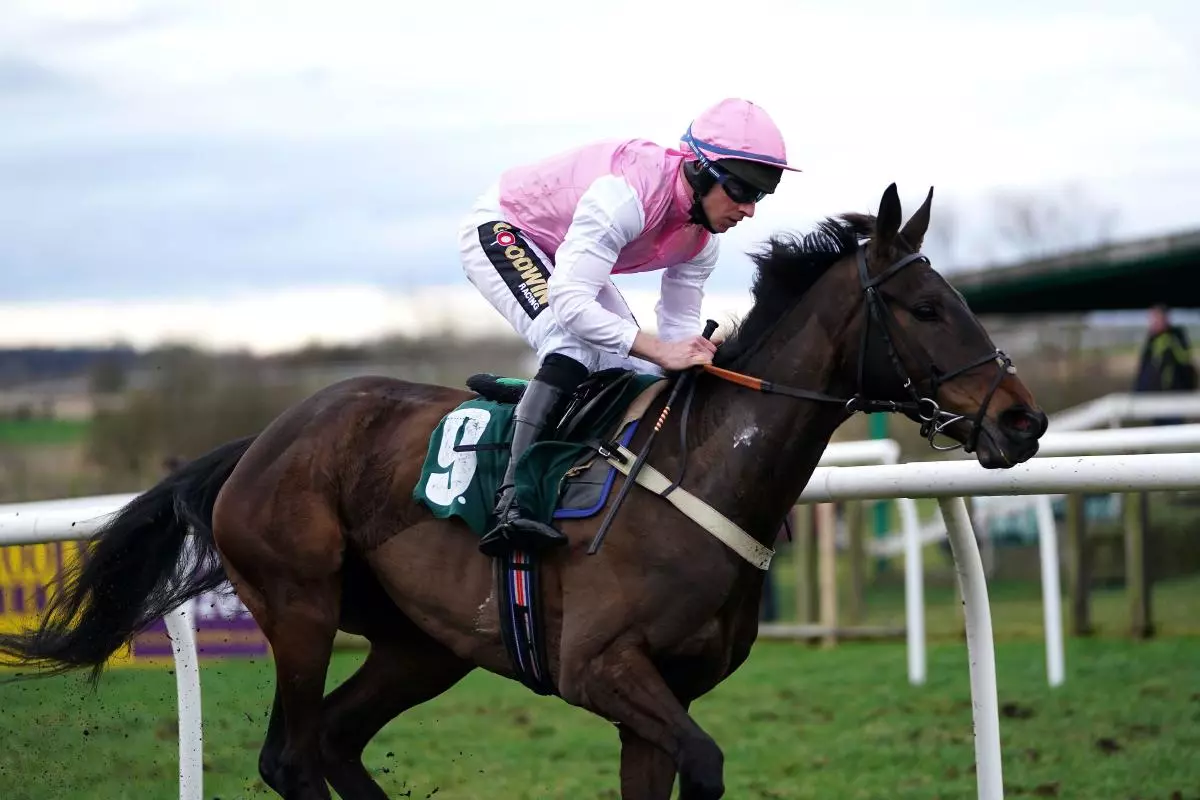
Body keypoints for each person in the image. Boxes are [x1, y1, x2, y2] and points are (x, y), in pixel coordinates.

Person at [458, 97, 801, 556]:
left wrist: (689, 359)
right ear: (700, 170)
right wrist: (660, 350)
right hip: (505, 228)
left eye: (760, 195)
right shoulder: (625, 197)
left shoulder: (702, 242)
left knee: (624, 363)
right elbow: (570, 302)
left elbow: (676, 333)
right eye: (742, 191)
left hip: (564, 253)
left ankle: (537, 406)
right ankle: (511, 502)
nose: (749, 209)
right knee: (571, 341)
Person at [1133, 304, 1197, 425]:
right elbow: (1144, 369)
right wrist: (1137, 393)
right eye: (1151, 318)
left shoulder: (1176, 336)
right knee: (1158, 432)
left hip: (1175, 398)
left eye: (1156, 318)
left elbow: (1185, 361)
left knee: (1175, 432)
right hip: (1154, 399)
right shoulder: (1151, 340)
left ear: (1165, 318)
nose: (1152, 322)